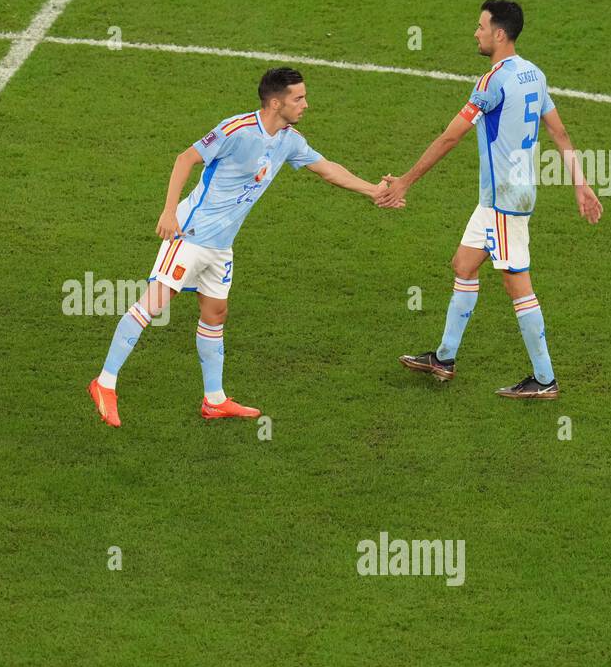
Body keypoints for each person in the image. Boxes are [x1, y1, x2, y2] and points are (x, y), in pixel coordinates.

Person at [89, 67, 397, 427]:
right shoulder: (236, 130)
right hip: (190, 233)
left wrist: (374, 190)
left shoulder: (289, 140)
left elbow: (327, 169)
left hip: (221, 247)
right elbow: (184, 159)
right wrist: (169, 211)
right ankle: (104, 383)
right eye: (299, 98)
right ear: (276, 102)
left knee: (215, 314)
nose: (306, 105)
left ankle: (214, 400)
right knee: (153, 305)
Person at [383, 0, 603, 398]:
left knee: (516, 282)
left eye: (481, 26)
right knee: (464, 264)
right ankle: (444, 358)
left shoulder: (492, 82)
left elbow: (451, 136)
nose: (476, 33)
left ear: (499, 33)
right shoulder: (534, 74)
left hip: (504, 198)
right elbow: (561, 132)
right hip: (503, 195)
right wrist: (581, 183)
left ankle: (544, 379)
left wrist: (406, 181)